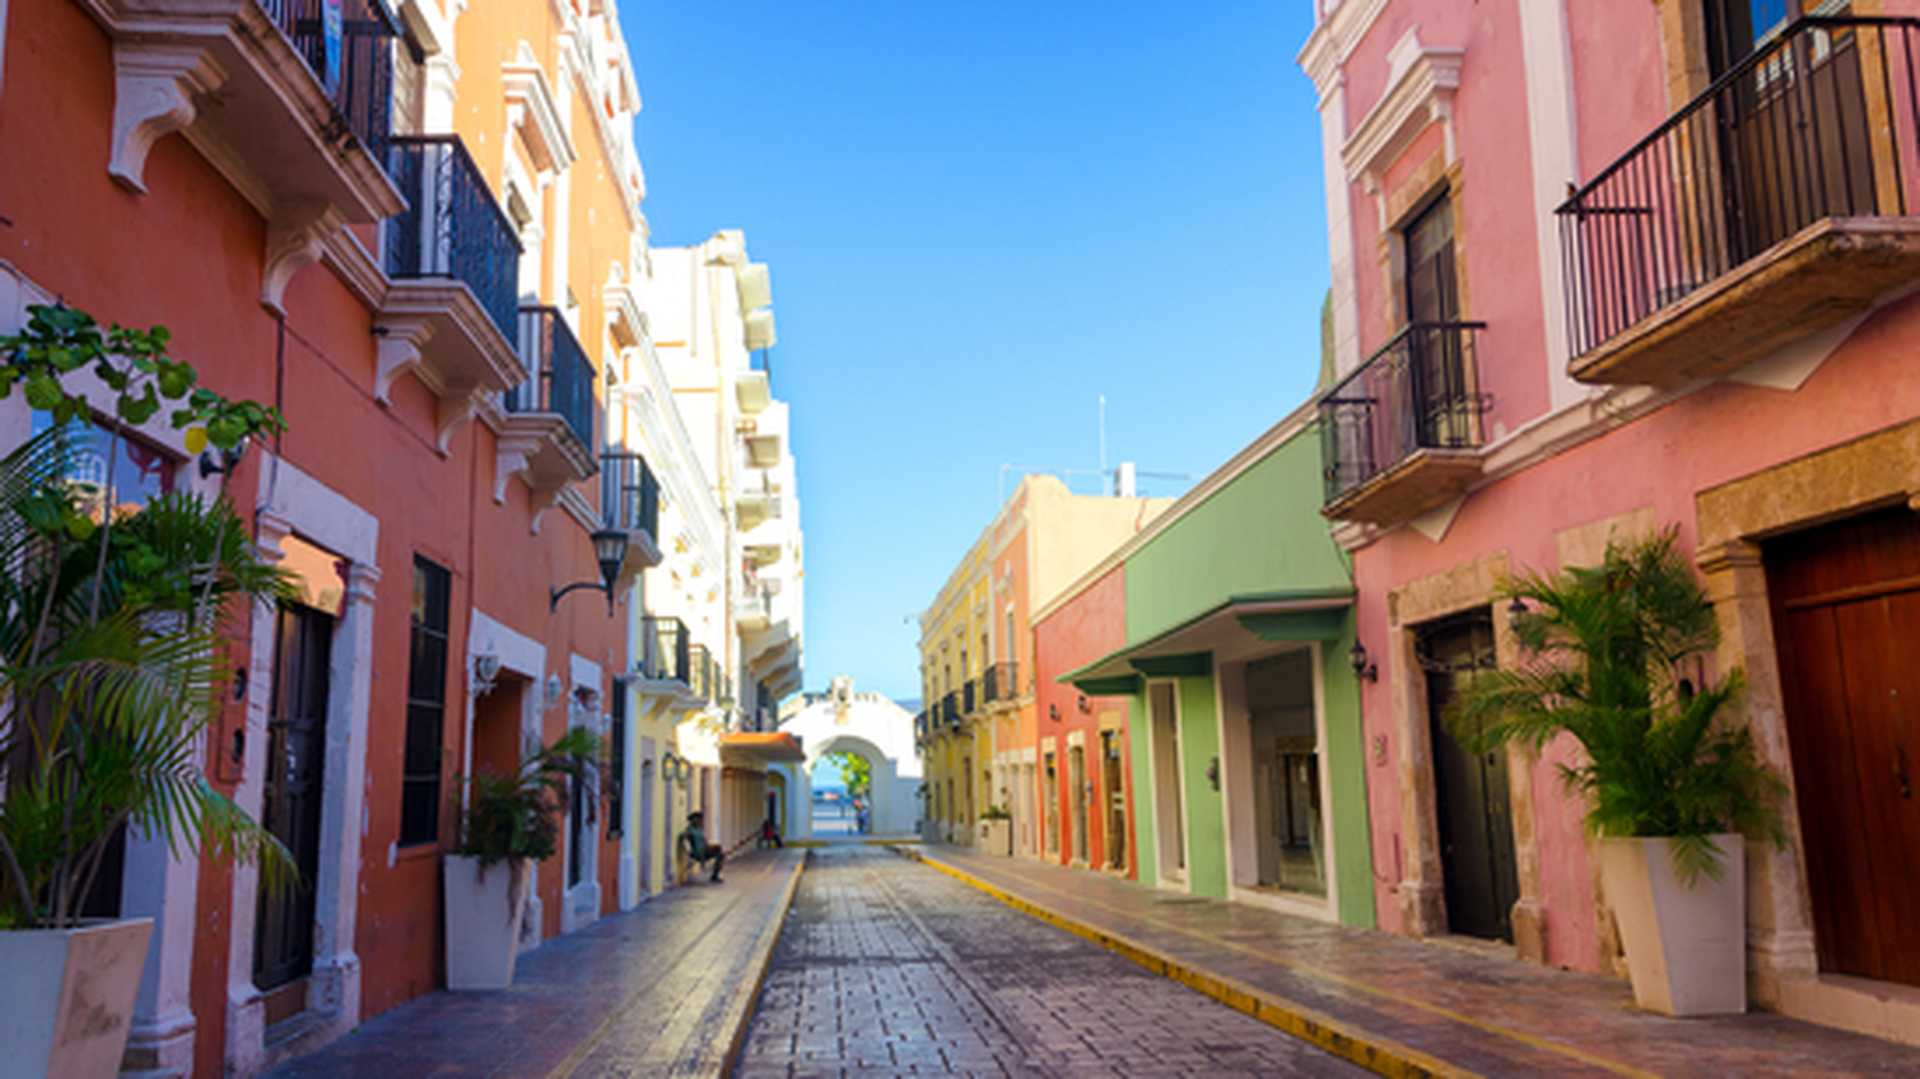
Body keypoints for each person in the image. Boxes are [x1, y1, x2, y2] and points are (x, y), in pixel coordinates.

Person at [677, 811, 724, 883]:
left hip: (704, 850)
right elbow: (682, 836)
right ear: (692, 820)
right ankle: (714, 874)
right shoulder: (690, 830)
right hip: (698, 852)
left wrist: (708, 845)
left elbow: (704, 841)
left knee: (720, 852)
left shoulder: (699, 829)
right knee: (719, 850)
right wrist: (688, 851)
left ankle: (715, 874)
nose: (699, 821)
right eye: (697, 819)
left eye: (700, 819)